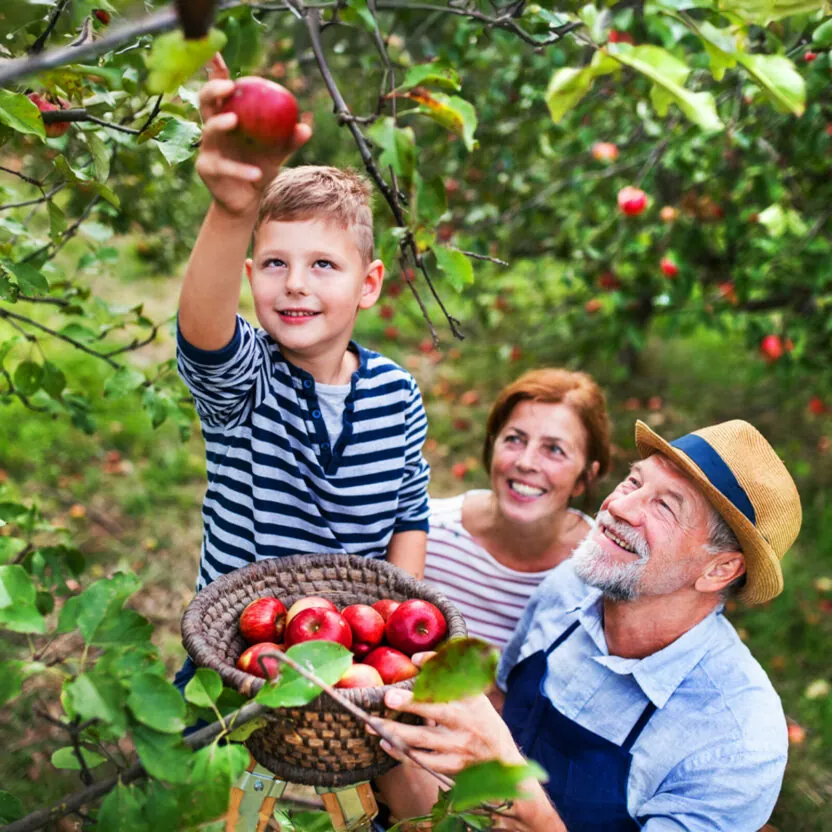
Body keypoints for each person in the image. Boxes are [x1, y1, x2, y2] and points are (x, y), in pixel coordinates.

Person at [374, 419, 800, 832]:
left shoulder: (736, 742)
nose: (617, 506)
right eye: (634, 482)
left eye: (665, 506)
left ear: (720, 569)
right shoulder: (568, 585)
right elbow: (502, 702)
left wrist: (520, 793)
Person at [173, 56, 430, 693]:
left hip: (353, 661)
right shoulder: (249, 380)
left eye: (322, 265)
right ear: (250, 273)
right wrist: (234, 212)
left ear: (368, 285)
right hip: (236, 656)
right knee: (221, 785)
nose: (294, 283)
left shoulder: (397, 394)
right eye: (274, 264)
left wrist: (401, 620)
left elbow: (408, 516)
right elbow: (204, 336)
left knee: (365, 785)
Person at [424, 369, 611, 650]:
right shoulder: (426, 533)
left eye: (554, 450)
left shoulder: (602, 574)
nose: (526, 462)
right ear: (492, 444)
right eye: (514, 439)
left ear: (585, 477)